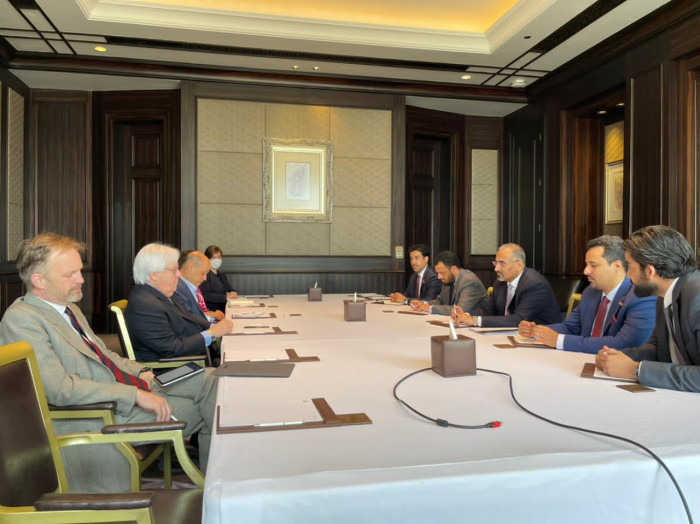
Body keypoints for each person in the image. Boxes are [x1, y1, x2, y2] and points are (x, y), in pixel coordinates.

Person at [0, 233, 218, 493]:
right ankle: (220, 489)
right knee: (213, 409)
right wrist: (134, 395)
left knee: (214, 379)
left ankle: (220, 485)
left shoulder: (69, 308)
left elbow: (103, 355)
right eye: (70, 274)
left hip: (124, 389)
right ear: (39, 280)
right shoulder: (23, 319)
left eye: (80, 271)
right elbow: (59, 389)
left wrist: (141, 371)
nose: (81, 279)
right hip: (99, 414)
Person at [596, 225, 700, 392]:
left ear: (650, 271)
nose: (627, 275)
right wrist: (617, 358)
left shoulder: (697, 298)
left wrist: (636, 370)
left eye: (630, 267)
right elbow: (657, 347)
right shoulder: (666, 294)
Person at [518, 235, 656, 353]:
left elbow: (625, 343)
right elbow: (570, 327)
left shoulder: (640, 296)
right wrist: (537, 330)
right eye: (586, 264)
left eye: (593, 265)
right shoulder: (591, 291)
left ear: (617, 266)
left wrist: (559, 341)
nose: (586, 271)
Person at [126, 243, 233, 364]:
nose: (179, 274)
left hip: (191, 357)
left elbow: (188, 317)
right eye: (174, 270)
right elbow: (172, 349)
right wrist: (211, 334)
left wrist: (213, 325)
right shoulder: (145, 305)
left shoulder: (162, 294)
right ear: (154, 274)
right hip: (174, 368)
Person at [451, 243, 561, 327]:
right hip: (511, 334)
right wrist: (465, 315)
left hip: (541, 339)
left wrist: (475, 320)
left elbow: (518, 320)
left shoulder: (534, 284)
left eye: (502, 263)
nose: (496, 268)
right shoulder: (500, 283)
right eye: (495, 263)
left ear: (518, 265)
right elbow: (488, 311)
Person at [411, 250, 488, 315]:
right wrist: (424, 304)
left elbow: (459, 310)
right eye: (437, 273)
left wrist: (430, 308)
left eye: (441, 273)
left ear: (453, 269)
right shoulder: (448, 279)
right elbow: (439, 301)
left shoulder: (469, 282)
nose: (439, 277)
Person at [174, 250, 225, 321]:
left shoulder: (191, 287)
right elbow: (189, 318)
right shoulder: (177, 288)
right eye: (203, 273)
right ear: (190, 267)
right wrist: (213, 317)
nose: (205, 278)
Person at [200, 245, 238, 312]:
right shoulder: (205, 275)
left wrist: (233, 292)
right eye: (213, 257)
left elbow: (229, 289)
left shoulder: (221, 274)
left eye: (219, 257)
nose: (217, 260)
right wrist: (225, 297)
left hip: (224, 309)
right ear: (207, 259)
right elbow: (205, 295)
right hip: (212, 311)